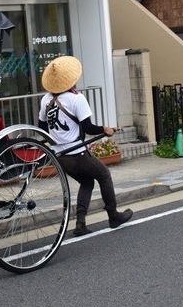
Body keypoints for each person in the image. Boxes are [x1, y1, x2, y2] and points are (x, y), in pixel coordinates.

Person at [38, 56, 133, 237]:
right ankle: (113, 216)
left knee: (87, 181)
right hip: (77, 154)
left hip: (61, 156)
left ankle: (80, 224)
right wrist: (105, 129)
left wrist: (56, 142)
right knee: (104, 175)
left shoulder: (45, 100)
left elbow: (42, 128)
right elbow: (88, 128)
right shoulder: (76, 98)